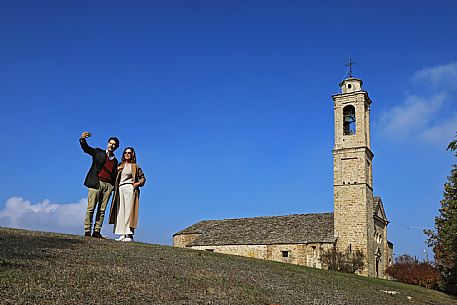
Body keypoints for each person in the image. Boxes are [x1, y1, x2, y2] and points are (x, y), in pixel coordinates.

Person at [79, 132, 119, 238]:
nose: (112, 145)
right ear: (107, 144)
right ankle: (87, 231)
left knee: (102, 210)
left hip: (108, 186)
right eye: (110, 143)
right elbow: (86, 149)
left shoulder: (115, 161)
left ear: (116, 147)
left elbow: (115, 175)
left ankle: (97, 231)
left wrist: (113, 186)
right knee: (91, 208)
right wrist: (82, 139)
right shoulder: (98, 152)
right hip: (96, 183)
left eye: (114, 144)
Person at [109, 147, 146, 242]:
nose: (127, 154)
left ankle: (129, 235)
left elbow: (143, 178)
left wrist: (138, 183)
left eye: (129, 153)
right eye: (125, 152)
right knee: (120, 211)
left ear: (132, 154)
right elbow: (112, 176)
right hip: (120, 189)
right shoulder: (120, 165)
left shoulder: (135, 166)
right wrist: (117, 169)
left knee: (129, 211)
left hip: (130, 188)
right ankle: (122, 234)